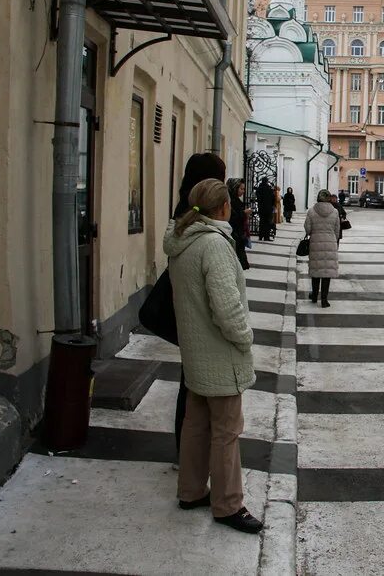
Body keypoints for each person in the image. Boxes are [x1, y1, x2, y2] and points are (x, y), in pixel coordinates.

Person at [164, 178, 262, 534]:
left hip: (194, 349)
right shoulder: (214, 245)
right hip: (219, 353)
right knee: (227, 430)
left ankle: (190, 490)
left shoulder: (182, 240)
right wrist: (244, 337)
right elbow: (226, 306)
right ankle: (228, 504)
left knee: (195, 424)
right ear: (223, 208)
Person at [171, 153, 226, 455]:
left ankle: (186, 456)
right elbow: (222, 296)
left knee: (190, 386)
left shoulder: (183, 213)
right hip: (202, 315)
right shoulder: (207, 232)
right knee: (199, 392)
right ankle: (192, 456)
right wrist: (241, 337)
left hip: (188, 312)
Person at [304, 189, 340, 308]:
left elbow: (308, 229)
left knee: (316, 271)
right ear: (329, 198)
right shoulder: (335, 212)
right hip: (330, 243)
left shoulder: (311, 211)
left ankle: (314, 296)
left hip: (315, 243)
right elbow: (337, 231)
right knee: (326, 273)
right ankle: (324, 300)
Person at [226, 178, 251, 270]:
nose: (243, 191)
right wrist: (244, 213)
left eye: (244, 189)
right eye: (241, 189)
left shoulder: (236, 200)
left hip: (239, 235)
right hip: (233, 235)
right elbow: (231, 218)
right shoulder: (230, 201)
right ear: (234, 188)